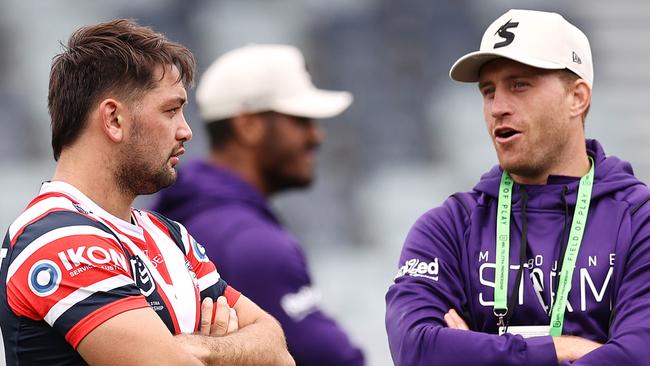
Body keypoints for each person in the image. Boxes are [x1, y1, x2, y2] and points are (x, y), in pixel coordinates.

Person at [0, 19, 295, 366]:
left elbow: (278, 351)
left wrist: (200, 350)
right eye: (171, 110)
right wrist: (225, 353)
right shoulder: (60, 240)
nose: (186, 131)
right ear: (114, 120)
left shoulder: (170, 236)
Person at [385, 9, 650, 366]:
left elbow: (635, 359)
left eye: (519, 85)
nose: (498, 107)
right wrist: (563, 348)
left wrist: (478, 354)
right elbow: (416, 350)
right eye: (488, 91)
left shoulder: (639, 220)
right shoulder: (446, 228)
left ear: (577, 97)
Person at [151, 44, 365, 365]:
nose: (316, 136)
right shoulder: (250, 242)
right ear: (248, 126)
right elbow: (334, 359)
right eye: (300, 120)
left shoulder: (175, 218)